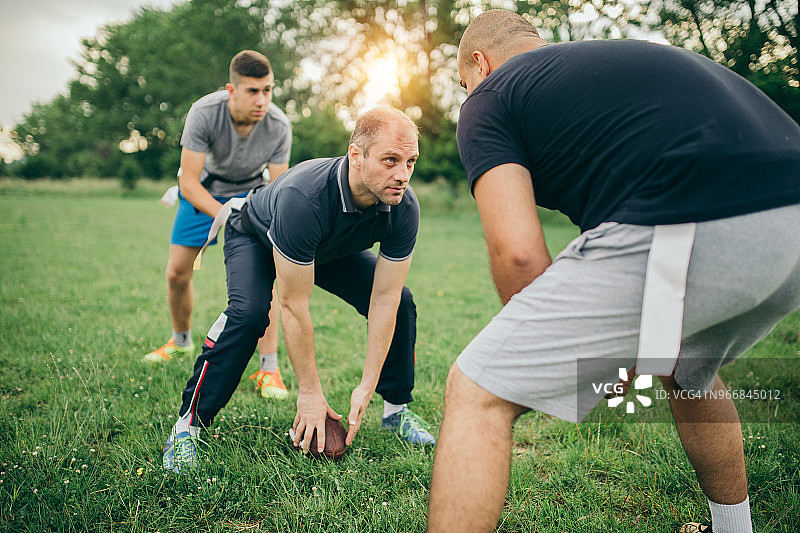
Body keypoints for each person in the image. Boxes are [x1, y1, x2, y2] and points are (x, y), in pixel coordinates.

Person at [427, 9, 800, 533]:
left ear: (479, 64)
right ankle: (734, 527)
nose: (469, 93)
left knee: (476, 391)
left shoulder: (490, 96)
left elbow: (517, 253)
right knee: (688, 372)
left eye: (465, 82)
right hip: (789, 215)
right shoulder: (594, 70)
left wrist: (581, 359)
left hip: (699, 209)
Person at [161, 106, 436, 472]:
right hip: (255, 236)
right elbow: (293, 307)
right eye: (390, 160)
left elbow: (384, 298)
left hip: (326, 249)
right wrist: (310, 392)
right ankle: (187, 426)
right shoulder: (304, 196)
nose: (402, 175)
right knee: (249, 315)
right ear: (356, 155)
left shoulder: (403, 205)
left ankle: (396, 410)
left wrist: (367, 384)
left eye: (410, 161)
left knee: (401, 301)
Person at [145, 50, 292, 400]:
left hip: (253, 194)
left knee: (264, 279)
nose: (262, 101)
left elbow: (279, 189)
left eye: (268, 91)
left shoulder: (279, 125)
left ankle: (268, 368)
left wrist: (255, 215)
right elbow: (189, 183)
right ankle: (180, 342)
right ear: (232, 90)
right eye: (253, 91)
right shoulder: (204, 112)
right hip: (204, 192)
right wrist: (224, 213)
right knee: (177, 273)